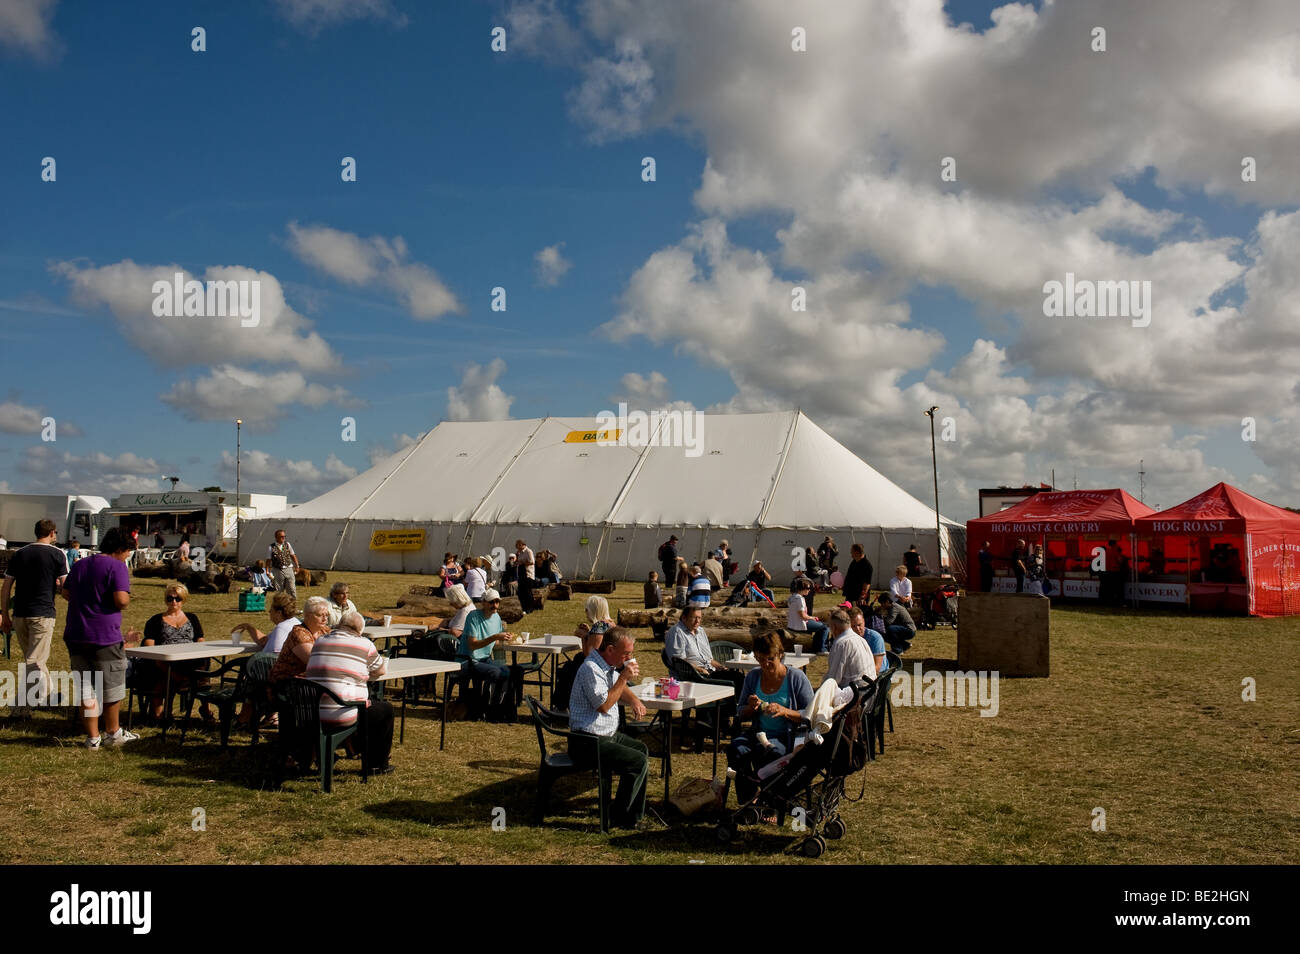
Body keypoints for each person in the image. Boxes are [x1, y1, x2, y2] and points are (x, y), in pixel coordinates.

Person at [60, 527, 141, 749]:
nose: (128, 557)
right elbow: (121, 600)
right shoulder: (117, 566)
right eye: (128, 552)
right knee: (112, 686)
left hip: (76, 633)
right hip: (104, 636)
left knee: (86, 687)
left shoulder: (80, 564)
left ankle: (92, 737)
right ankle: (113, 733)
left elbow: (65, 592)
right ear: (120, 549)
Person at [567, 626, 650, 829]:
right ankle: (619, 815)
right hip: (586, 740)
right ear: (611, 650)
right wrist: (624, 678)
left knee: (642, 751)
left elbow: (619, 689)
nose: (629, 657)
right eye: (626, 653)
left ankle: (632, 815)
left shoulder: (607, 666)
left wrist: (635, 700)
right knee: (637, 761)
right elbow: (603, 705)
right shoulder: (591, 669)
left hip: (605, 735)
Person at [726, 629, 814, 806]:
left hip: (786, 735)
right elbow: (740, 712)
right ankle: (749, 799)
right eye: (760, 659)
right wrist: (751, 707)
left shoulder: (796, 678)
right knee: (735, 749)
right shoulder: (753, 677)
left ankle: (771, 802)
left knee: (771, 752)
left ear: (780, 655)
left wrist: (785, 711)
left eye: (770, 659)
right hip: (758, 732)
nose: (765, 665)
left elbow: (811, 715)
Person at [304, 610, 394, 775]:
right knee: (384, 710)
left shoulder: (320, 641)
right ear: (360, 630)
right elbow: (381, 670)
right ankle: (377, 764)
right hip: (340, 713)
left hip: (310, 712)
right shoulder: (364, 644)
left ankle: (352, 750)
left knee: (369, 708)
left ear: (339, 625)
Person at [2, 518, 68, 713]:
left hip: (20, 614)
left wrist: (5, 615)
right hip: (43, 613)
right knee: (35, 661)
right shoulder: (57, 554)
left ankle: (47, 697)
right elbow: (66, 586)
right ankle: (21, 707)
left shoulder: (19, 554)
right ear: (52, 533)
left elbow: (6, 587)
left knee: (34, 658)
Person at [140, 582, 215, 723]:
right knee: (158, 717)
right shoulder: (156, 620)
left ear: (183, 600)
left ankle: (205, 707)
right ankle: (170, 699)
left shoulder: (192, 618)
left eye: (177, 598)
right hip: (165, 662)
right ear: (165, 600)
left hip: (190, 660)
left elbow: (200, 640)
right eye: (170, 598)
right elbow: (149, 645)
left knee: (204, 662)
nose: (173, 601)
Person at [456, 589, 518, 721]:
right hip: (468, 660)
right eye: (491, 602)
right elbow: (473, 645)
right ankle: (482, 707)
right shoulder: (473, 616)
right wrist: (495, 636)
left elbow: (494, 644)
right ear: (483, 603)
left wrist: (508, 641)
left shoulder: (497, 618)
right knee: (495, 672)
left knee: (508, 671)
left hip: (484, 658)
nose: (495, 605)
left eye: (497, 602)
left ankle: (497, 708)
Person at [663, 605, 746, 694]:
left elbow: (709, 660)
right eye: (694, 617)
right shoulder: (677, 632)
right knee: (737, 681)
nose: (697, 621)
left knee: (740, 677)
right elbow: (679, 662)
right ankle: (734, 706)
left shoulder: (700, 631)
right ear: (684, 618)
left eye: (699, 618)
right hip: (693, 677)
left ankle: (736, 706)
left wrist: (720, 667)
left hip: (709, 672)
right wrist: (700, 670)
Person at [270, 595, 331, 685]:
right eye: (319, 615)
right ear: (307, 615)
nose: (325, 619)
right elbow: (313, 661)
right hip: (287, 684)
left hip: (311, 681)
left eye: (326, 615)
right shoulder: (298, 633)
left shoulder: (325, 631)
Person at [552, 621, 605, 713]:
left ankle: (561, 707)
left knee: (569, 670)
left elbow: (589, 654)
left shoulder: (601, 627)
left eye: (588, 610)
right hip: (592, 663)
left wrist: (585, 637)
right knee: (570, 667)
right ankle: (561, 706)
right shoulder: (602, 626)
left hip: (595, 666)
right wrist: (588, 634)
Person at [824, 608, 877, 687]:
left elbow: (833, 679)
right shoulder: (861, 640)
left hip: (856, 693)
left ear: (834, 627)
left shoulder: (841, 643)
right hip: (870, 689)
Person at [787, 578, 830, 652]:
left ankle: (817, 647)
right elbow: (803, 616)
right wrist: (812, 618)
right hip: (800, 624)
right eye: (808, 588)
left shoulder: (792, 597)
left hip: (792, 624)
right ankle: (822, 649)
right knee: (825, 627)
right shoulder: (800, 599)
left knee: (821, 625)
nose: (809, 590)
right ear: (802, 589)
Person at [847, 607, 888, 676]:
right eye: (853, 626)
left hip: (878, 675)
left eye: (859, 625)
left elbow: (877, 668)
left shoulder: (875, 638)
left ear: (864, 621)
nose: (857, 629)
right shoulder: (848, 639)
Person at [268, 529, 299, 598]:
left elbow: (293, 555)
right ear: (276, 537)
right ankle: (280, 607)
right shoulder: (271, 547)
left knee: (292, 589)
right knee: (279, 590)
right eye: (281, 536)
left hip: (289, 569)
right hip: (278, 570)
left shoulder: (288, 544)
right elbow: (268, 560)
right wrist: (267, 571)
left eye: (284, 536)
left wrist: (297, 565)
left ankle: (292, 606)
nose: (283, 538)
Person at [842, 543, 874, 608]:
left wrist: (862, 596)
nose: (851, 553)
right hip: (851, 594)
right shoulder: (854, 562)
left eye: (852, 551)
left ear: (857, 552)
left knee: (858, 615)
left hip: (859, 596)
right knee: (848, 612)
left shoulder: (867, 566)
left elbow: (867, 583)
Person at [515, 540, 536, 612]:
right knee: (521, 592)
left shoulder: (528, 551)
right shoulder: (520, 553)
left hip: (528, 575)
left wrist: (522, 563)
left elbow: (532, 562)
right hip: (521, 575)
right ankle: (523, 607)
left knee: (527, 592)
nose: (516, 547)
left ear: (522, 544)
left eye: (517, 545)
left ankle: (530, 608)